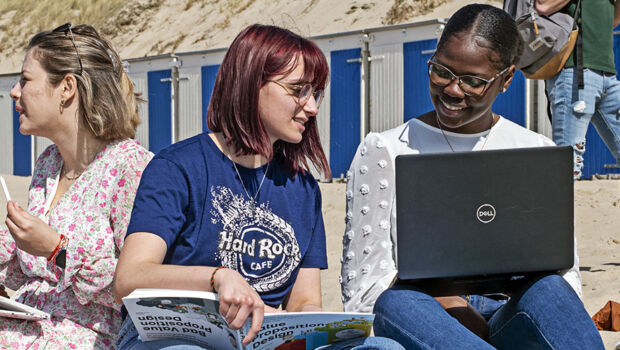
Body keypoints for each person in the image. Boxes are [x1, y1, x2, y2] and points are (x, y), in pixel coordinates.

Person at [113, 24, 403, 350]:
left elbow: (304, 301)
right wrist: (218, 278)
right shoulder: (178, 167)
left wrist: (311, 321)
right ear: (252, 85)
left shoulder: (302, 188)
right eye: (298, 90)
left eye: (316, 93)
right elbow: (130, 277)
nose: (313, 107)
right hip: (174, 335)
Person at [340, 4, 604, 349]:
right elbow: (364, 293)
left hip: (511, 314)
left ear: (507, 79)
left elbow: (566, 280)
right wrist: (449, 302)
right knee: (394, 302)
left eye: (473, 81)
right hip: (427, 319)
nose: (452, 90)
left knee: (551, 290)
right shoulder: (385, 149)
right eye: (442, 72)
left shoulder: (533, 149)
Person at [0, 24, 152, 349]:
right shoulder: (48, 164)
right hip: (27, 325)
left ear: (66, 87)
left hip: (88, 337)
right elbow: (32, 268)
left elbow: (138, 290)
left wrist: (58, 249)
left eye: (25, 80)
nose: (14, 91)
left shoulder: (130, 168)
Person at [539, 0, 620, 179]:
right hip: (574, 73)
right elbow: (542, 6)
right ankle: (558, 206)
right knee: (569, 164)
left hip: (607, 74)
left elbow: (612, 22)